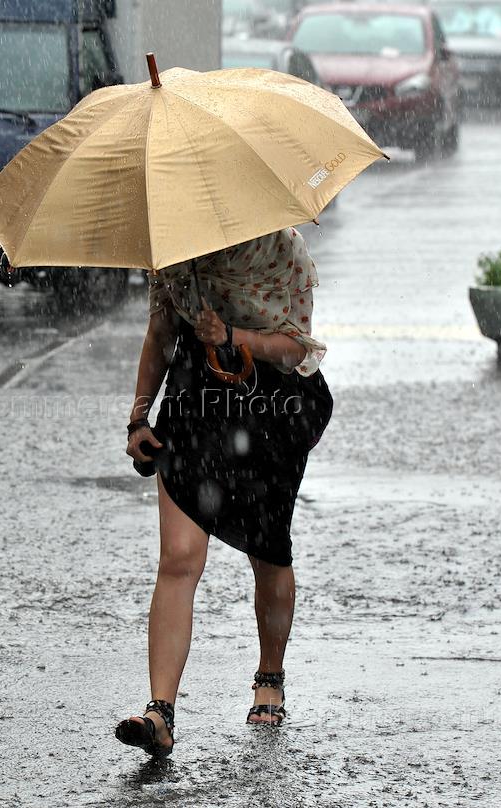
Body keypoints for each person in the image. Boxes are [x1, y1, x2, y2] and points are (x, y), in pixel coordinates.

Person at [114, 226, 334, 756]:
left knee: (268, 550)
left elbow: (296, 349)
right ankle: (159, 711)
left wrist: (234, 336)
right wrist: (139, 416)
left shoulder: (283, 250)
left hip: (270, 408)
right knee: (179, 559)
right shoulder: (173, 250)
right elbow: (161, 333)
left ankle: (269, 677)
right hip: (195, 405)